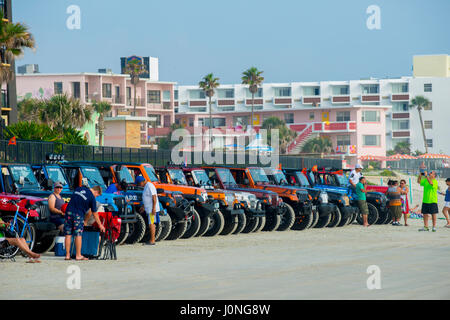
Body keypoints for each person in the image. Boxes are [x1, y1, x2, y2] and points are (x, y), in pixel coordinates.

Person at [64, 185, 105, 260]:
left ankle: (67, 255)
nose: (96, 197)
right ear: (96, 191)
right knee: (78, 234)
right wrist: (100, 225)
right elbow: (94, 213)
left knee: (68, 234)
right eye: (97, 195)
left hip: (68, 212)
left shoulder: (79, 188)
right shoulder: (92, 197)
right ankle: (78, 255)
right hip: (78, 214)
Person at [136, 176, 159, 245]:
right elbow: (147, 198)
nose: (138, 185)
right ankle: (152, 239)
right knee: (151, 223)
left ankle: (152, 240)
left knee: (151, 224)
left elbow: (154, 197)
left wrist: (153, 208)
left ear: (142, 182)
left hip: (151, 209)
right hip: (149, 208)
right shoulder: (146, 186)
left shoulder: (149, 186)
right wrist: (143, 206)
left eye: (138, 184)